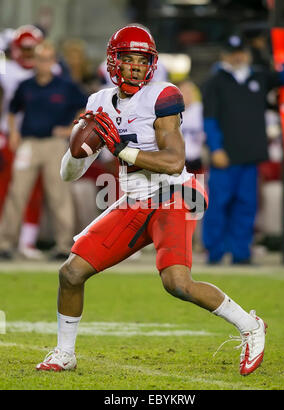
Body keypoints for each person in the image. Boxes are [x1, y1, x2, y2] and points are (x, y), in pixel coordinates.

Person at [36, 25, 267, 376]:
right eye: (127, 59)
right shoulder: (98, 102)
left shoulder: (163, 96)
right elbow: (68, 174)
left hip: (174, 193)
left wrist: (120, 149)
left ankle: (250, 326)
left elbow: (174, 160)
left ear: (152, 64)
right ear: (114, 62)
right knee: (70, 273)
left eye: (142, 61)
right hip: (133, 200)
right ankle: (64, 353)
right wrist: (77, 143)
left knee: (177, 283)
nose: (135, 67)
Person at [0, 40, 87, 261]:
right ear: (35, 61)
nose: (44, 63)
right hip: (29, 142)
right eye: (40, 59)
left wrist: (71, 129)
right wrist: (14, 132)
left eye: (48, 59)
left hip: (54, 144)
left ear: (53, 61)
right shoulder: (25, 85)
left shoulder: (65, 86)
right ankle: (5, 242)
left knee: (59, 195)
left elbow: (87, 106)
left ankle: (63, 245)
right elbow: (12, 110)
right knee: (17, 193)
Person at [202, 34, 282, 265]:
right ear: (224, 55)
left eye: (241, 52)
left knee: (247, 206)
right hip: (225, 156)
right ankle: (214, 253)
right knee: (219, 205)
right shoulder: (215, 82)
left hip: (250, 155)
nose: (237, 56)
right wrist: (216, 148)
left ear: (247, 54)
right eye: (232, 52)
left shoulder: (260, 76)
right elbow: (210, 119)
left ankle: (241, 253)